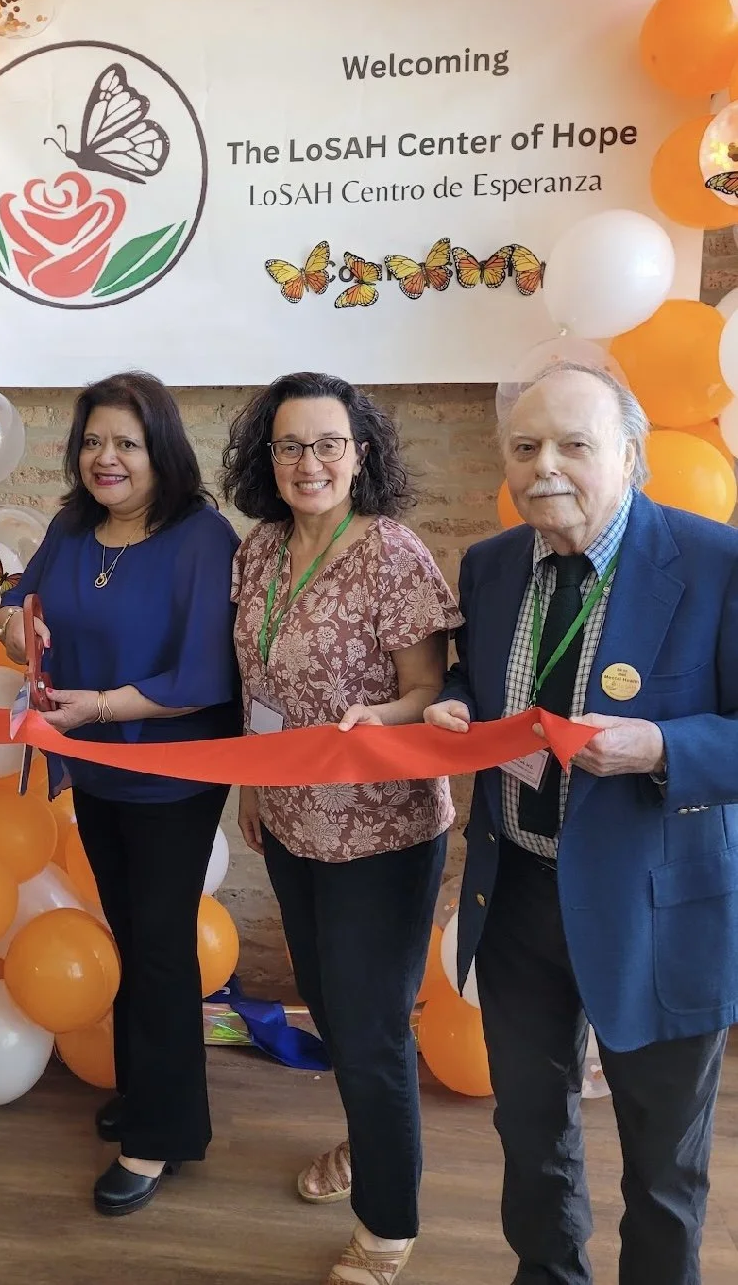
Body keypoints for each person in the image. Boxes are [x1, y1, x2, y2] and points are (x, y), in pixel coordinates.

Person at [425, 362, 738, 1285]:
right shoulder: (487, 566)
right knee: (528, 1126)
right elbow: (474, 683)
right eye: (525, 448)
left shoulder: (715, 563)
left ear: (631, 456)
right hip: (517, 889)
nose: (544, 467)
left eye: (573, 443)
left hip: (660, 905)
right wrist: (450, 703)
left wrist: (663, 747)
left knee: (663, 1159)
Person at [223, 371, 462, 1285]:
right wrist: (252, 781)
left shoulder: (393, 552)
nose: (308, 462)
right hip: (289, 819)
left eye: (328, 443)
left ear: (361, 454)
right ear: (268, 458)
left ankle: (387, 1228)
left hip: (381, 833)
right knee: (328, 1006)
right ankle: (370, 1142)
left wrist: (381, 721)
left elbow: (430, 694)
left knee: (369, 1031)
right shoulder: (261, 548)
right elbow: (257, 682)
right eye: (289, 445)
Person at [0, 371, 241, 1218]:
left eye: (126, 443)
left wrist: (98, 705)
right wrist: (13, 622)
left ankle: (157, 1135)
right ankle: (152, 1093)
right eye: (93, 441)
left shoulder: (203, 537)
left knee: (163, 946)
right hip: (93, 769)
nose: (107, 458)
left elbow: (204, 675)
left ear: (161, 450)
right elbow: (14, 600)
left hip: (170, 773)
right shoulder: (71, 526)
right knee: (132, 932)